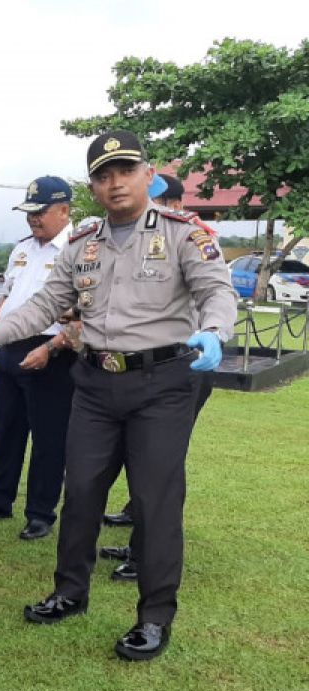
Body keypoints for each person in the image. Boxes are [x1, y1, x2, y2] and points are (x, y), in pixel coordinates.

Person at [0, 130, 237, 660]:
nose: (114, 183)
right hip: (94, 382)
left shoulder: (185, 233)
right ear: (92, 185)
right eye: (102, 175)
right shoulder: (83, 243)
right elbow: (46, 304)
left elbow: (217, 291)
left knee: (156, 499)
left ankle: (155, 617)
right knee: (83, 492)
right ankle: (70, 592)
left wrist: (213, 330)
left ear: (148, 173)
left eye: (124, 171)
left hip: (161, 383)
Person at [100, 171, 217, 579]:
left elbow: (215, 294)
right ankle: (137, 535)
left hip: (184, 362)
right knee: (140, 459)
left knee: (160, 466)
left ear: (166, 201)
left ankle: (145, 555)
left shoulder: (188, 234)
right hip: (138, 368)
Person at [0, 177, 77, 541]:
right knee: (7, 430)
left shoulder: (80, 250)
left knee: (49, 437)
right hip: (11, 345)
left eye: (41, 212)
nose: (33, 220)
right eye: (29, 212)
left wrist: (52, 348)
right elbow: (9, 300)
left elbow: (85, 314)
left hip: (54, 351)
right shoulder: (21, 249)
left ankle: (40, 512)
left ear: (64, 210)